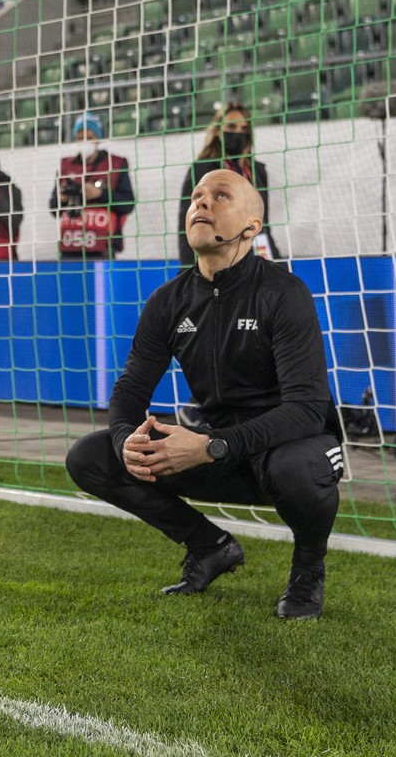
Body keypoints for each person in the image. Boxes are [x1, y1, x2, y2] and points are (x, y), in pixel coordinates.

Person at [65, 169, 343, 620]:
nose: (201, 203)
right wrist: (125, 443)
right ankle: (209, 546)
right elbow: (129, 392)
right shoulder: (168, 301)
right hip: (219, 451)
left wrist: (212, 446)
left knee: (298, 465)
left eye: (219, 195)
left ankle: (308, 571)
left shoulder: (284, 293)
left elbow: (308, 409)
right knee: (91, 456)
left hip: (288, 451)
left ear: (252, 226)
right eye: (196, 197)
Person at [176, 101, 283, 266]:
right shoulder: (202, 169)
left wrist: (276, 262)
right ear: (218, 131)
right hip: (218, 256)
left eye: (244, 129)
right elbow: (187, 226)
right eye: (232, 127)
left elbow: (264, 223)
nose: (238, 133)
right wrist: (188, 269)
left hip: (254, 255)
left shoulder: (257, 171)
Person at [48, 113, 134, 259]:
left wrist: (101, 194)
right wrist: (62, 199)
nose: (84, 142)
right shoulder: (65, 166)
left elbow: (128, 204)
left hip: (103, 248)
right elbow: (53, 209)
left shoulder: (116, 164)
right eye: (80, 138)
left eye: (89, 138)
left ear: (98, 138)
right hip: (70, 246)